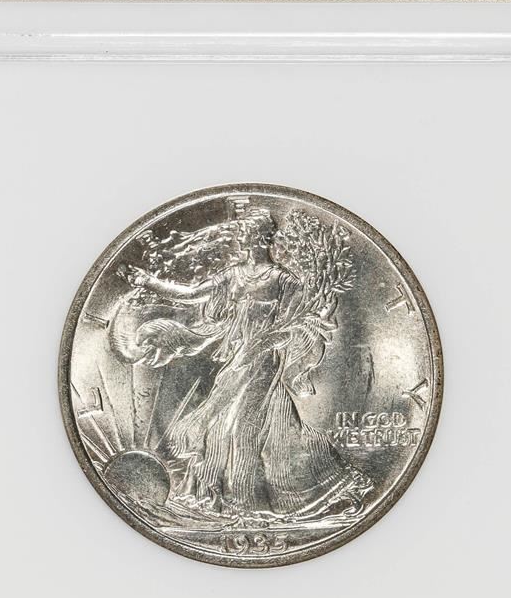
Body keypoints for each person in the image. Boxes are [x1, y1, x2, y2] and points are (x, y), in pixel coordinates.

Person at [127, 207, 368, 523]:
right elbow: (191, 294)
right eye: (241, 233)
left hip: (263, 363)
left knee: (240, 429)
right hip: (238, 360)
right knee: (219, 427)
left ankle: (246, 504)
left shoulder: (284, 280)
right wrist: (150, 282)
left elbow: (297, 323)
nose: (240, 238)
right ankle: (223, 500)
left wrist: (269, 340)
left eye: (245, 233)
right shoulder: (233, 275)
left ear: (261, 238)